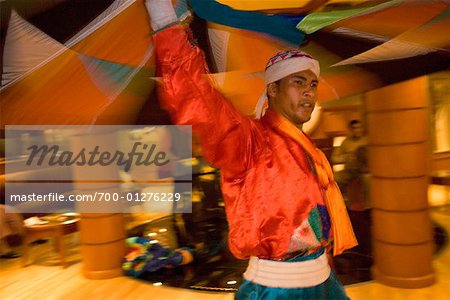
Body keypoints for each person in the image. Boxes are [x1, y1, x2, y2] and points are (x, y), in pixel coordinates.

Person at [145, 1, 357, 298]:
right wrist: (165, 22)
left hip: (324, 282)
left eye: (312, 83)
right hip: (275, 290)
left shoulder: (311, 152)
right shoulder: (249, 142)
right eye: (298, 82)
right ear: (272, 89)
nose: (309, 91)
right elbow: (197, 101)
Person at [331, 120, 368, 191]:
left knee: (367, 179)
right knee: (334, 177)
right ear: (351, 130)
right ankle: (341, 199)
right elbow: (334, 158)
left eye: (359, 128)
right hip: (350, 170)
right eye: (355, 128)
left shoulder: (366, 140)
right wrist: (347, 157)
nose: (358, 130)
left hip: (364, 171)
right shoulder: (346, 142)